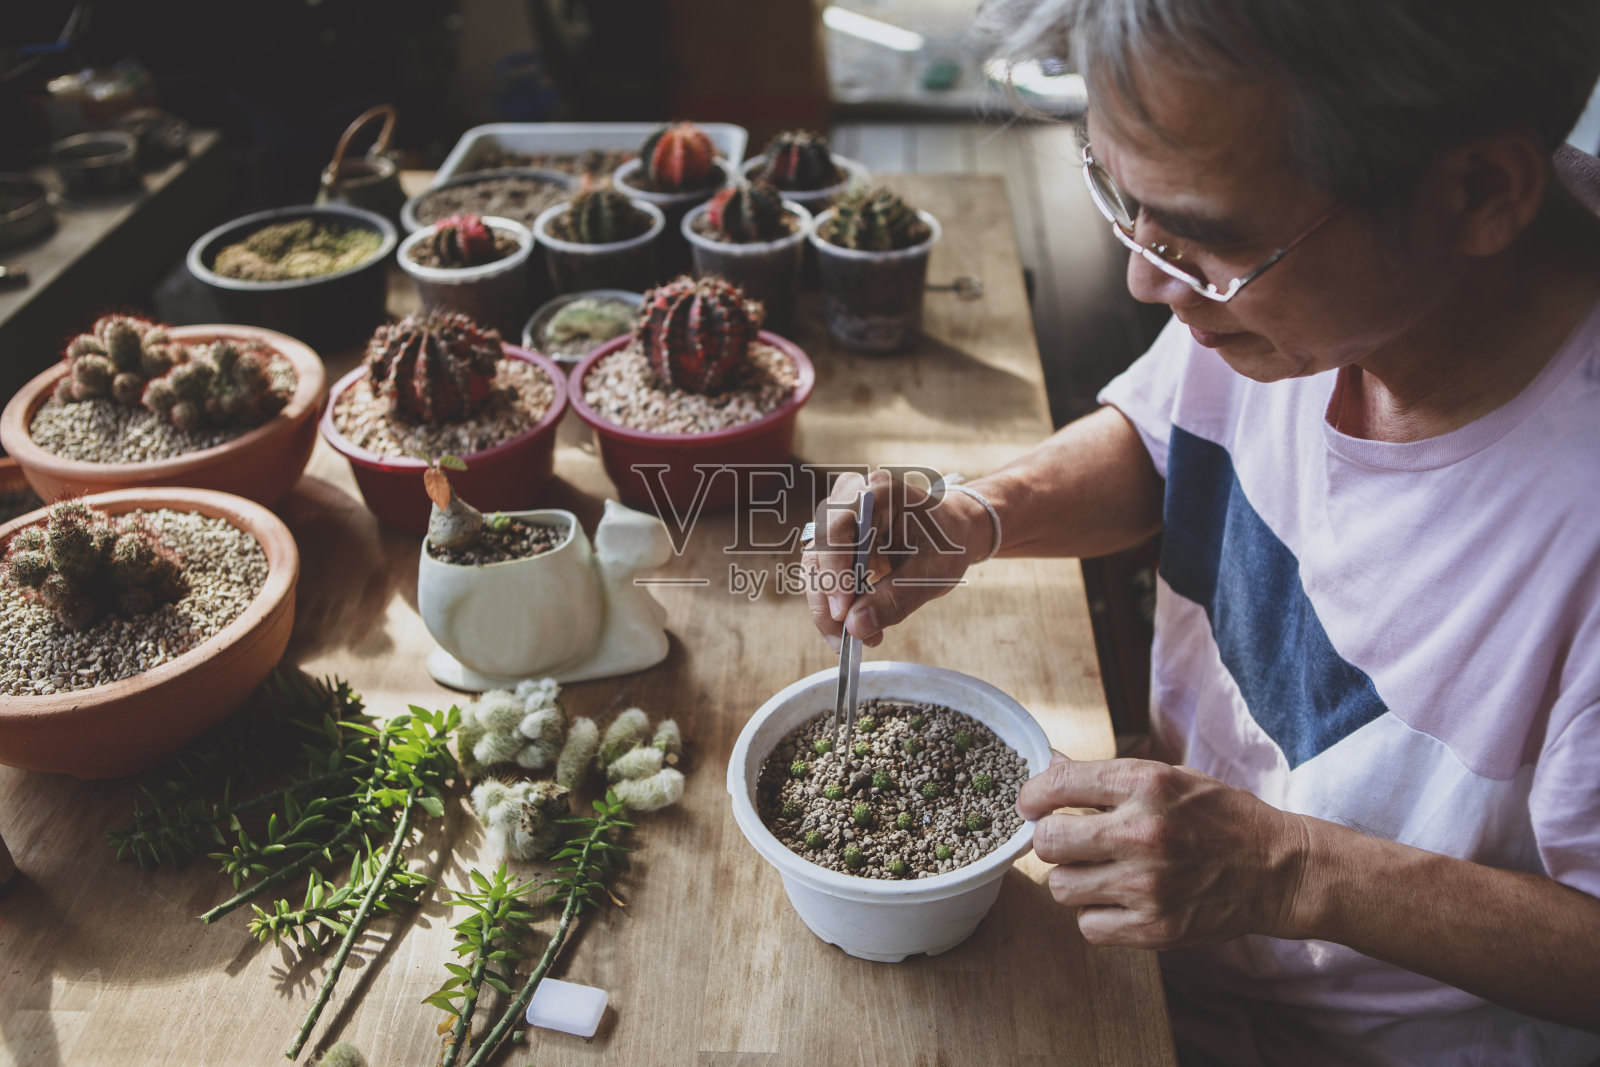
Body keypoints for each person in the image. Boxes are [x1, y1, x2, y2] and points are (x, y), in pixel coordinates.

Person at [801, 1, 1600, 1063]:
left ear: (1479, 192)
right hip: (1165, 951)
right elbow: (1173, 440)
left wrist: (1288, 868)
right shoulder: (1299, 300)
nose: (1145, 280)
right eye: (1119, 198)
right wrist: (974, 512)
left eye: (1207, 242)